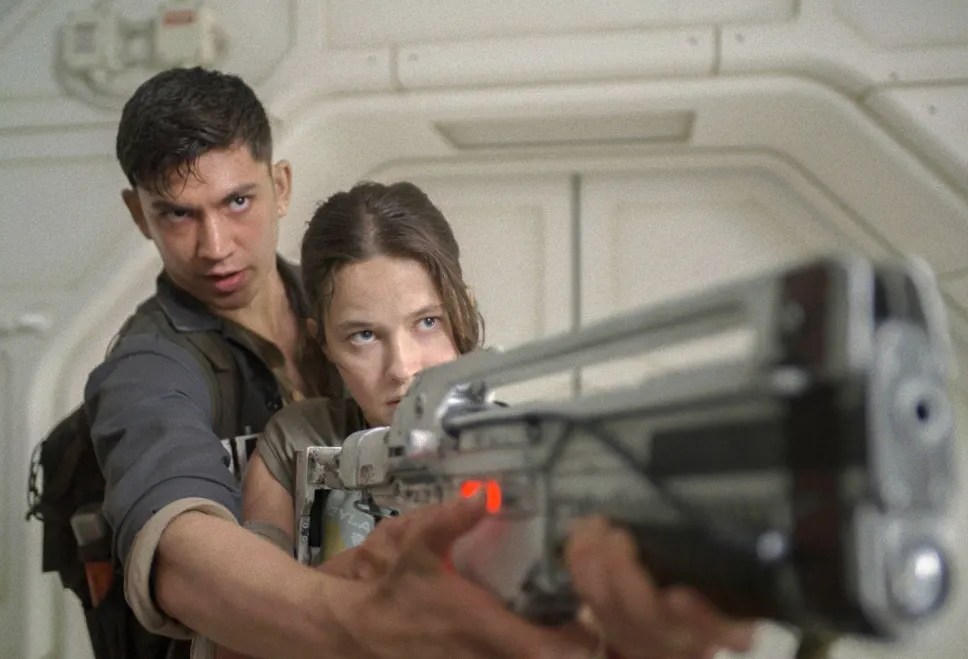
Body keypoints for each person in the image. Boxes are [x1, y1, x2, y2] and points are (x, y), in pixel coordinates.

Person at [87, 65, 753, 659]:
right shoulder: (162, 376)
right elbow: (187, 562)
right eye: (178, 214)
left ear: (278, 185)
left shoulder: (355, 293)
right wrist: (369, 618)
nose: (215, 245)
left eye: (238, 201)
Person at [238, 181, 758, 659]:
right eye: (364, 336)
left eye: (427, 322)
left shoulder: (522, 454)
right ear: (323, 341)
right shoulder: (296, 442)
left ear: (462, 309)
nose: (403, 367)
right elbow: (241, 629)